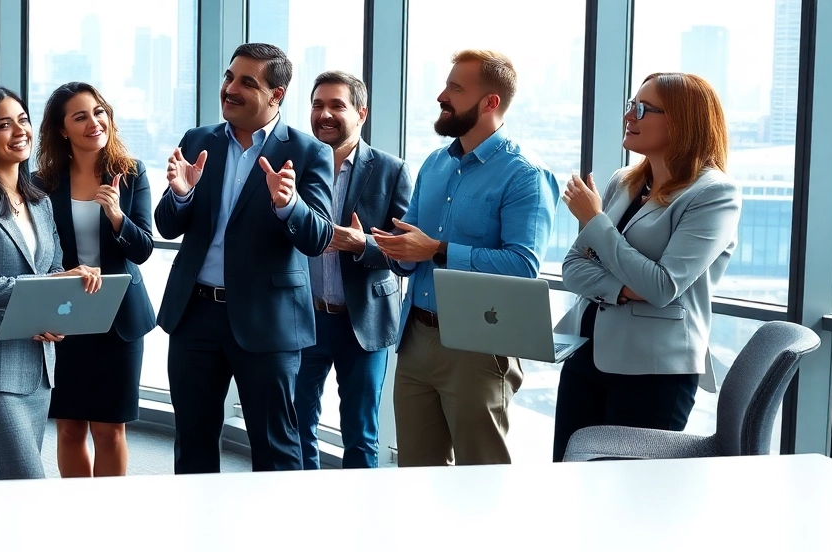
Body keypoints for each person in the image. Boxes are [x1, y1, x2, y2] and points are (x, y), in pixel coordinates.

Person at [372, 49, 558, 467]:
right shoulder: (436, 164)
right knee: (417, 471)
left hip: (480, 346)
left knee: (482, 474)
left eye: (456, 89)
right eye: (446, 85)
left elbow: (523, 267)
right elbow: (411, 247)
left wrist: (437, 251)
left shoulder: (525, 173)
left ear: (490, 102)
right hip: (416, 338)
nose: (442, 95)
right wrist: (388, 247)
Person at [156, 42, 334, 474]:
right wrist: (182, 195)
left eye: (246, 83)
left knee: (275, 446)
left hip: (267, 320)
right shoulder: (198, 141)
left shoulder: (309, 153)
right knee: (193, 440)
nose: (230, 89)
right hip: (194, 315)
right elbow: (166, 224)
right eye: (229, 77)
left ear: (277, 95)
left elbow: (319, 238)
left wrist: (288, 205)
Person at [552, 73, 740, 461]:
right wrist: (623, 288)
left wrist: (595, 221)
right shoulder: (624, 181)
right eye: (629, 105)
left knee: (633, 500)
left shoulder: (713, 194)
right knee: (567, 483)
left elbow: (661, 286)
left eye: (641, 109)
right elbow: (572, 266)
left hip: (654, 372)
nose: (628, 116)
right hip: (586, 355)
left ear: (682, 120)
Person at [0, 86, 100, 481]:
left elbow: (55, 268)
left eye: (23, 121)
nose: (19, 132)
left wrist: (66, 290)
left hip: (36, 374)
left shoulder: (40, 201)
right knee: (27, 490)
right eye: (4, 125)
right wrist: (50, 284)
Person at [36, 82, 156, 478]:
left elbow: (142, 251)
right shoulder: (41, 182)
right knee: (69, 427)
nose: (94, 122)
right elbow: (38, 254)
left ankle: (110, 522)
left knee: (110, 429)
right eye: (80, 116)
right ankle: (77, 521)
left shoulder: (131, 172)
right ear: (61, 129)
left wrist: (117, 216)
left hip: (119, 316)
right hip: (66, 313)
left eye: (99, 112)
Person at [297, 71, 413, 469]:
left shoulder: (391, 170)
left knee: (361, 434)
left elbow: (407, 256)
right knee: (296, 427)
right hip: (304, 317)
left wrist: (362, 244)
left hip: (362, 321)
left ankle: (361, 523)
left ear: (361, 113)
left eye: (336, 105)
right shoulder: (294, 165)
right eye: (317, 105)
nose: (324, 114)